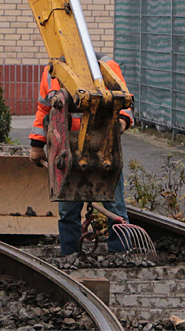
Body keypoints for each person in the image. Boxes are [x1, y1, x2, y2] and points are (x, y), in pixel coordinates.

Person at [29, 54, 134, 256]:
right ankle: (70, 255)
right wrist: (36, 144)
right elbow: (44, 109)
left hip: (103, 151)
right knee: (68, 210)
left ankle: (121, 254)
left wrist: (122, 121)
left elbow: (124, 103)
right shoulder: (51, 71)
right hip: (65, 151)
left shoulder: (106, 67)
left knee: (115, 205)